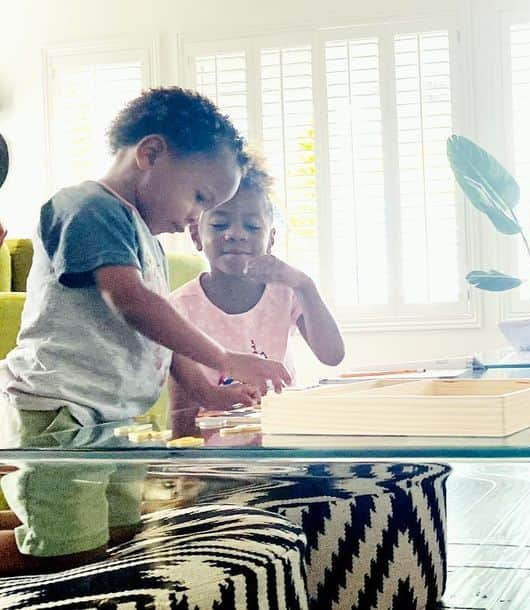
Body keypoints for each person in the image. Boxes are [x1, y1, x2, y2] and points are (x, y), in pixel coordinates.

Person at [0, 87, 290, 571]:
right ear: (151, 153)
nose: (196, 217)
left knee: (117, 533)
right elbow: (132, 303)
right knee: (68, 550)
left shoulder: (145, 240)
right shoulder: (89, 207)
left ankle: (38, 522)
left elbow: (154, 330)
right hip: (62, 414)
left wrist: (201, 388)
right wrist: (223, 357)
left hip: (114, 422)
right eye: (199, 197)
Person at [169, 156, 345, 431]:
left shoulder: (286, 294)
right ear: (195, 235)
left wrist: (305, 285)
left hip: (280, 439)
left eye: (252, 226)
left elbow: (332, 355)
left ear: (271, 239)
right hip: (212, 451)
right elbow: (180, 407)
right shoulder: (178, 308)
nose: (236, 234)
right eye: (219, 225)